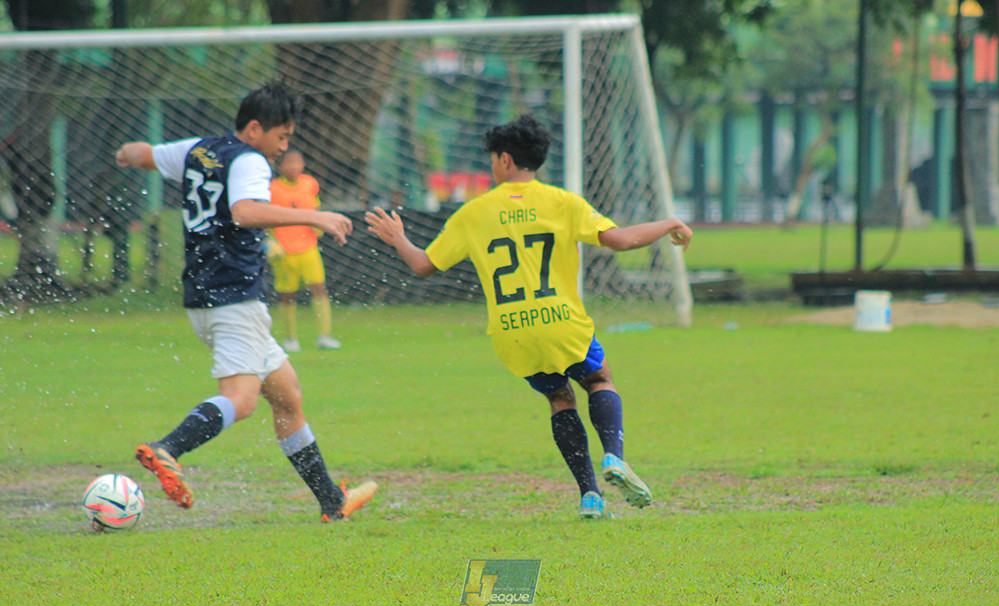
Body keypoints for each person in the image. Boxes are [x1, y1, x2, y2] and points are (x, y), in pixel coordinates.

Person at [365, 114, 692, 519]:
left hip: (512, 332)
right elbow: (621, 241)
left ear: (504, 160)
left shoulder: (474, 212)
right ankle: (613, 457)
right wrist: (671, 223)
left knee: (559, 398)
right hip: (562, 322)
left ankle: (590, 495)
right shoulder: (562, 202)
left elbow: (423, 266)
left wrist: (398, 238)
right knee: (599, 379)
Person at [115, 82, 376, 522]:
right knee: (243, 398)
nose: (284, 147)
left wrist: (126, 152)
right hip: (234, 297)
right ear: (255, 129)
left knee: (287, 395)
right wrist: (314, 215)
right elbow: (246, 212)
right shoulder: (250, 159)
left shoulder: (198, 149)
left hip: (204, 296)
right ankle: (167, 448)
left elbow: (140, 154)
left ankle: (331, 500)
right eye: (281, 136)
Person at [267, 148, 341, 352]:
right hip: (283, 249)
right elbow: (265, 215)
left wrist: (319, 225)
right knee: (287, 294)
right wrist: (270, 240)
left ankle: (325, 336)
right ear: (280, 166)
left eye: (297, 162)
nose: (293, 167)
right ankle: (290, 338)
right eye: (289, 163)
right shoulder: (273, 188)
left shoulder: (310, 184)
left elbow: (314, 208)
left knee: (319, 288)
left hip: (308, 247)